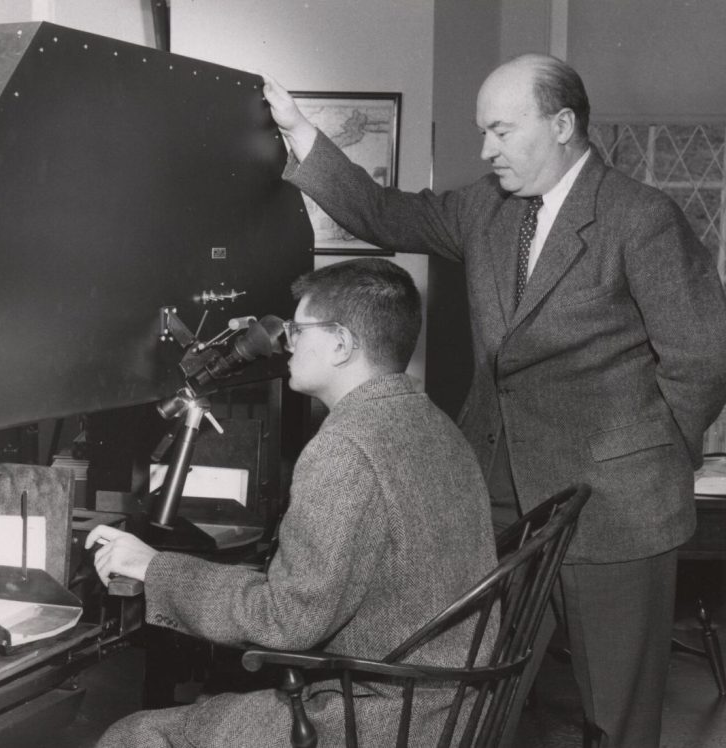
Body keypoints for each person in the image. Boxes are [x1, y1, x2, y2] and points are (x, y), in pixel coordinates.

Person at [262, 54, 726, 747]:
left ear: (563, 124)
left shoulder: (641, 219)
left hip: (617, 513)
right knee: (479, 700)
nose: (486, 149)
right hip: (502, 504)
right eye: (485, 132)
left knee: (618, 722)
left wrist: (654, 458)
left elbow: (703, 356)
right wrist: (299, 131)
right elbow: (386, 215)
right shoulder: (486, 207)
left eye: (503, 132)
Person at [86, 258, 498, 747]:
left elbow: (285, 622)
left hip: (385, 720)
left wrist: (153, 566)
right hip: (456, 705)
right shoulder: (434, 422)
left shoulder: (345, 448)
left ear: (342, 345)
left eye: (300, 330)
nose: (287, 341)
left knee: (134, 734)